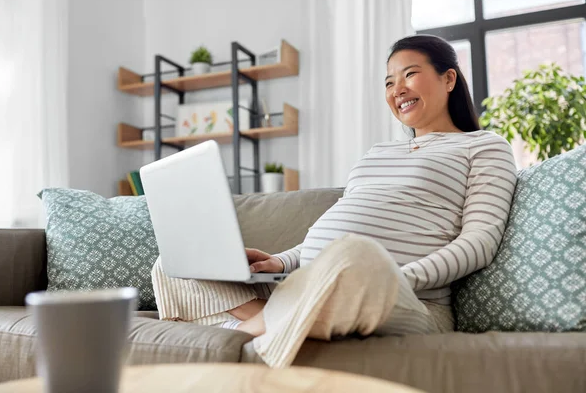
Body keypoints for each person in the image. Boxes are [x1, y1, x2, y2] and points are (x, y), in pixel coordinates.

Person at [151, 34, 518, 368]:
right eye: (389, 82)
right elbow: (335, 222)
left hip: (408, 299)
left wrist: (395, 278)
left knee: (355, 256)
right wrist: (281, 260)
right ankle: (277, 319)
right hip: (316, 282)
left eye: (409, 75)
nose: (397, 89)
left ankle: (243, 331)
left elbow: (479, 242)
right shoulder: (377, 153)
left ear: (449, 79)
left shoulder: (483, 146)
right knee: (173, 263)